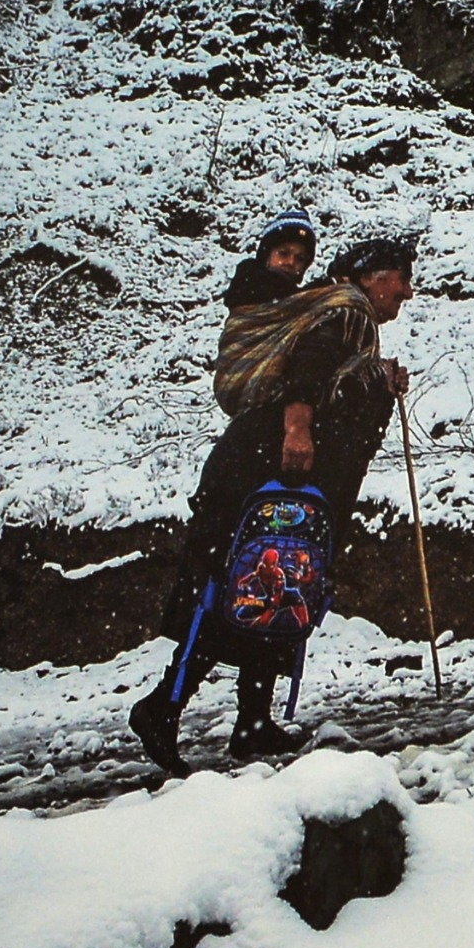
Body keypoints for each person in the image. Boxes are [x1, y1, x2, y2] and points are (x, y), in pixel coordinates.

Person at [130, 236, 417, 775]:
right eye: (399, 276)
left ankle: (253, 722)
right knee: (233, 586)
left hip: (265, 471)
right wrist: (297, 431)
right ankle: (162, 708)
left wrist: (379, 380)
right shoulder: (346, 310)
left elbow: (338, 388)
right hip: (261, 470)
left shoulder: (346, 318)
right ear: (372, 275)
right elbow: (306, 371)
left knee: (278, 585)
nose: (406, 289)